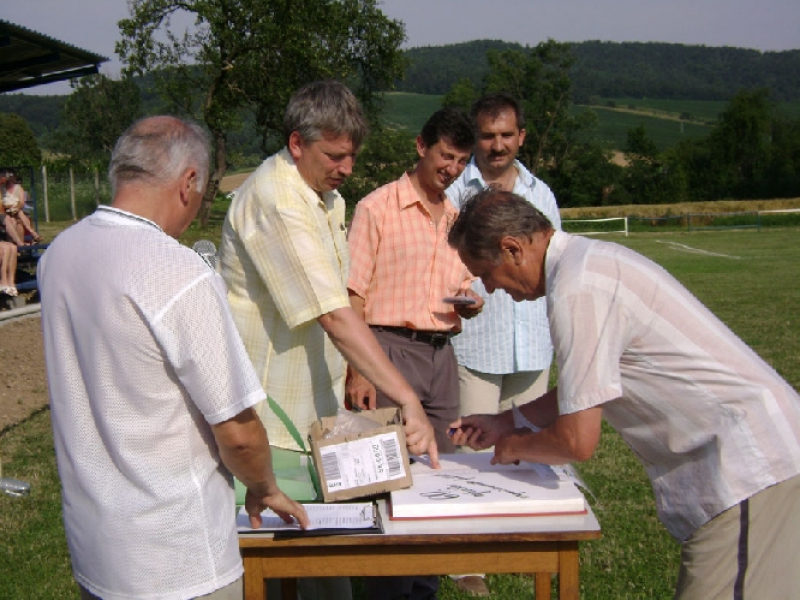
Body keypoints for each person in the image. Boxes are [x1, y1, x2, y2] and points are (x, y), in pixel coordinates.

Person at [447, 188, 800, 600]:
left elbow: (576, 441)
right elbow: (588, 386)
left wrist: (512, 446)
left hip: (750, 469)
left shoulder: (577, 289)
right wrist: (505, 420)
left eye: (486, 273)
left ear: (512, 249)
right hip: (749, 468)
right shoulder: (586, 265)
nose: (489, 288)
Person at [38, 116, 308, 600]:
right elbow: (238, 431)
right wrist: (265, 488)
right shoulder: (178, 272)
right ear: (189, 183)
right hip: (177, 560)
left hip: (97, 547)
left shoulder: (60, 253)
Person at [218, 81, 439, 600]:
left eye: (352, 156)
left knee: (325, 569)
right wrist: (407, 398)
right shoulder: (275, 201)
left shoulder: (324, 198)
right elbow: (334, 316)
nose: (346, 168)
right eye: (334, 155)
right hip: (270, 423)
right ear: (297, 143)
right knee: (276, 571)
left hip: (312, 414)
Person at [346, 107, 483, 600]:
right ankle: (385, 590)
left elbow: (462, 281)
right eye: (446, 156)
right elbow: (353, 295)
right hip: (387, 351)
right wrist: (358, 370)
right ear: (421, 146)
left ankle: (424, 586)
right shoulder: (376, 208)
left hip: (442, 354)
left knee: (439, 474)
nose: (452, 169)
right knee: (386, 479)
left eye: (462, 161)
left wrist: (471, 301)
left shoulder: (455, 217)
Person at [444, 91, 562, 597]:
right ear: (477, 138)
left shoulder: (542, 193)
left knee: (528, 451)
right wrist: (459, 294)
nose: (496, 146)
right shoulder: (454, 192)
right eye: (487, 136)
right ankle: (468, 561)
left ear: (521, 137)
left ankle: (522, 542)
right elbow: (442, 264)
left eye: (506, 135)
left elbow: (557, 265)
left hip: (531, 343)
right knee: (470, 451)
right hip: (477, 343)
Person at [2, 171, 42, 244]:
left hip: (16, 210)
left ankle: (21, 245)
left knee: (19, 217)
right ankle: (33, 234)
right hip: (6, 211)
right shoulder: (2, 189)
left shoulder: (18, 188)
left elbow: (22, 202)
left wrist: (16, 208)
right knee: (16, 219)